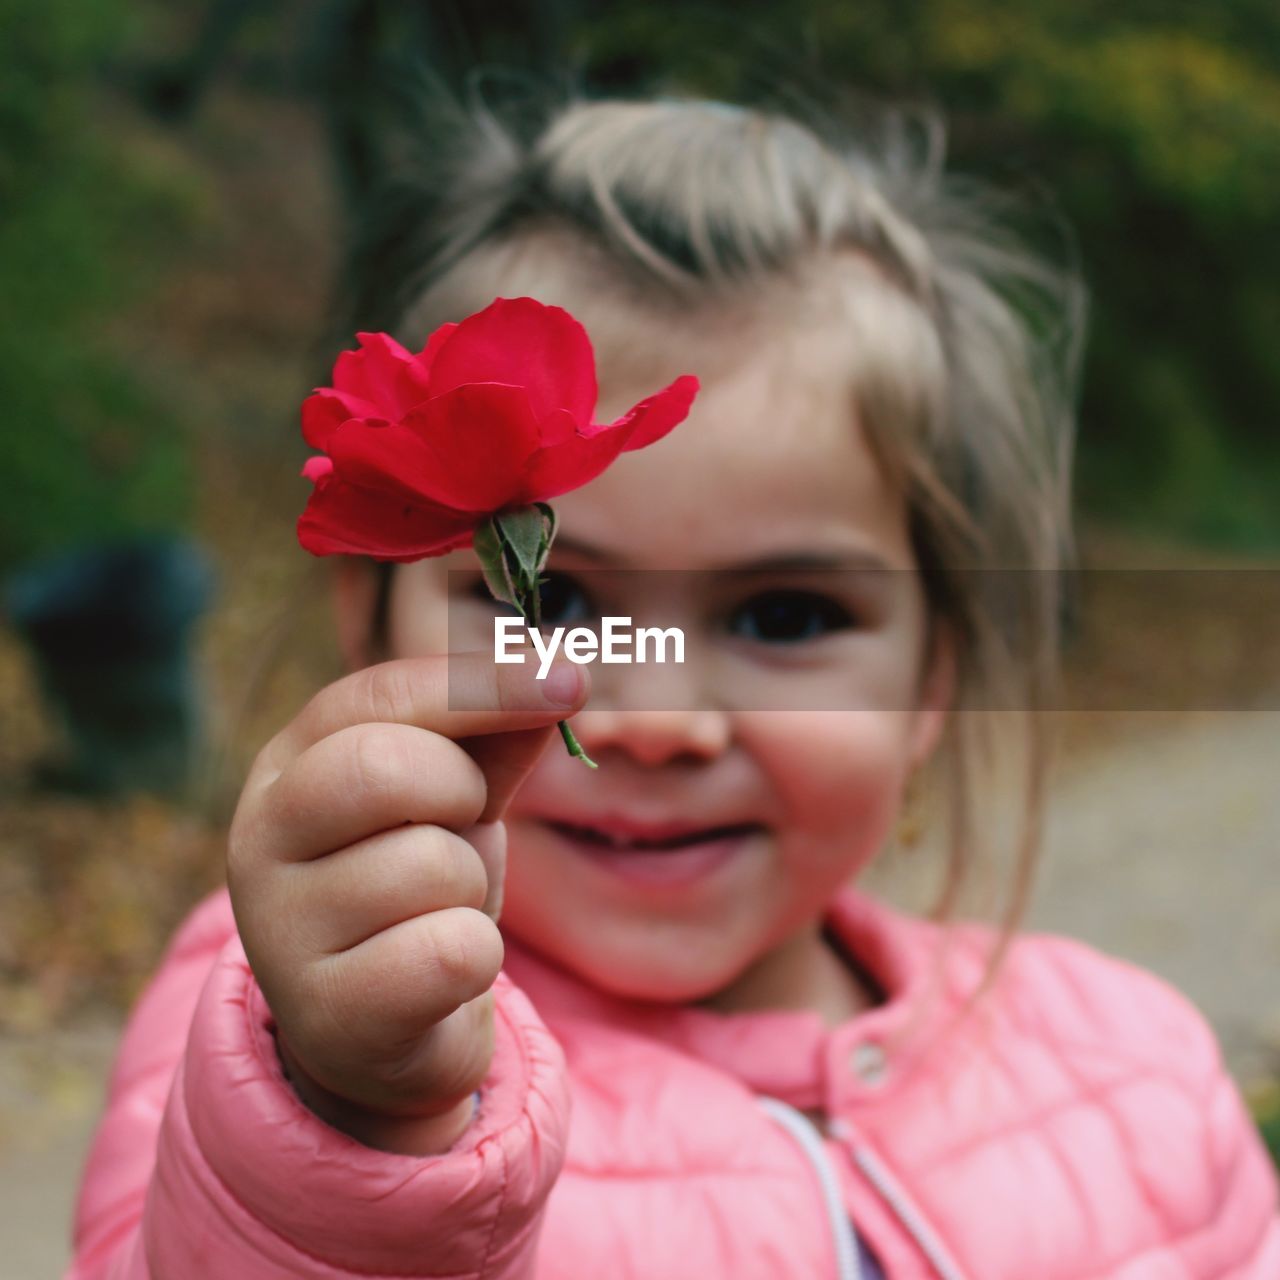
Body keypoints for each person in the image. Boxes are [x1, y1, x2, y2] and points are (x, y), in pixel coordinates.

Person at [65, 87, 1280, 1280]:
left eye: (784, 615)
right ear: (373, 626)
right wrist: (349, 1125)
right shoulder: (273, 1023)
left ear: (931, 676)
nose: (656, 721)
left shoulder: (1139, 1079)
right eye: (548, 602)